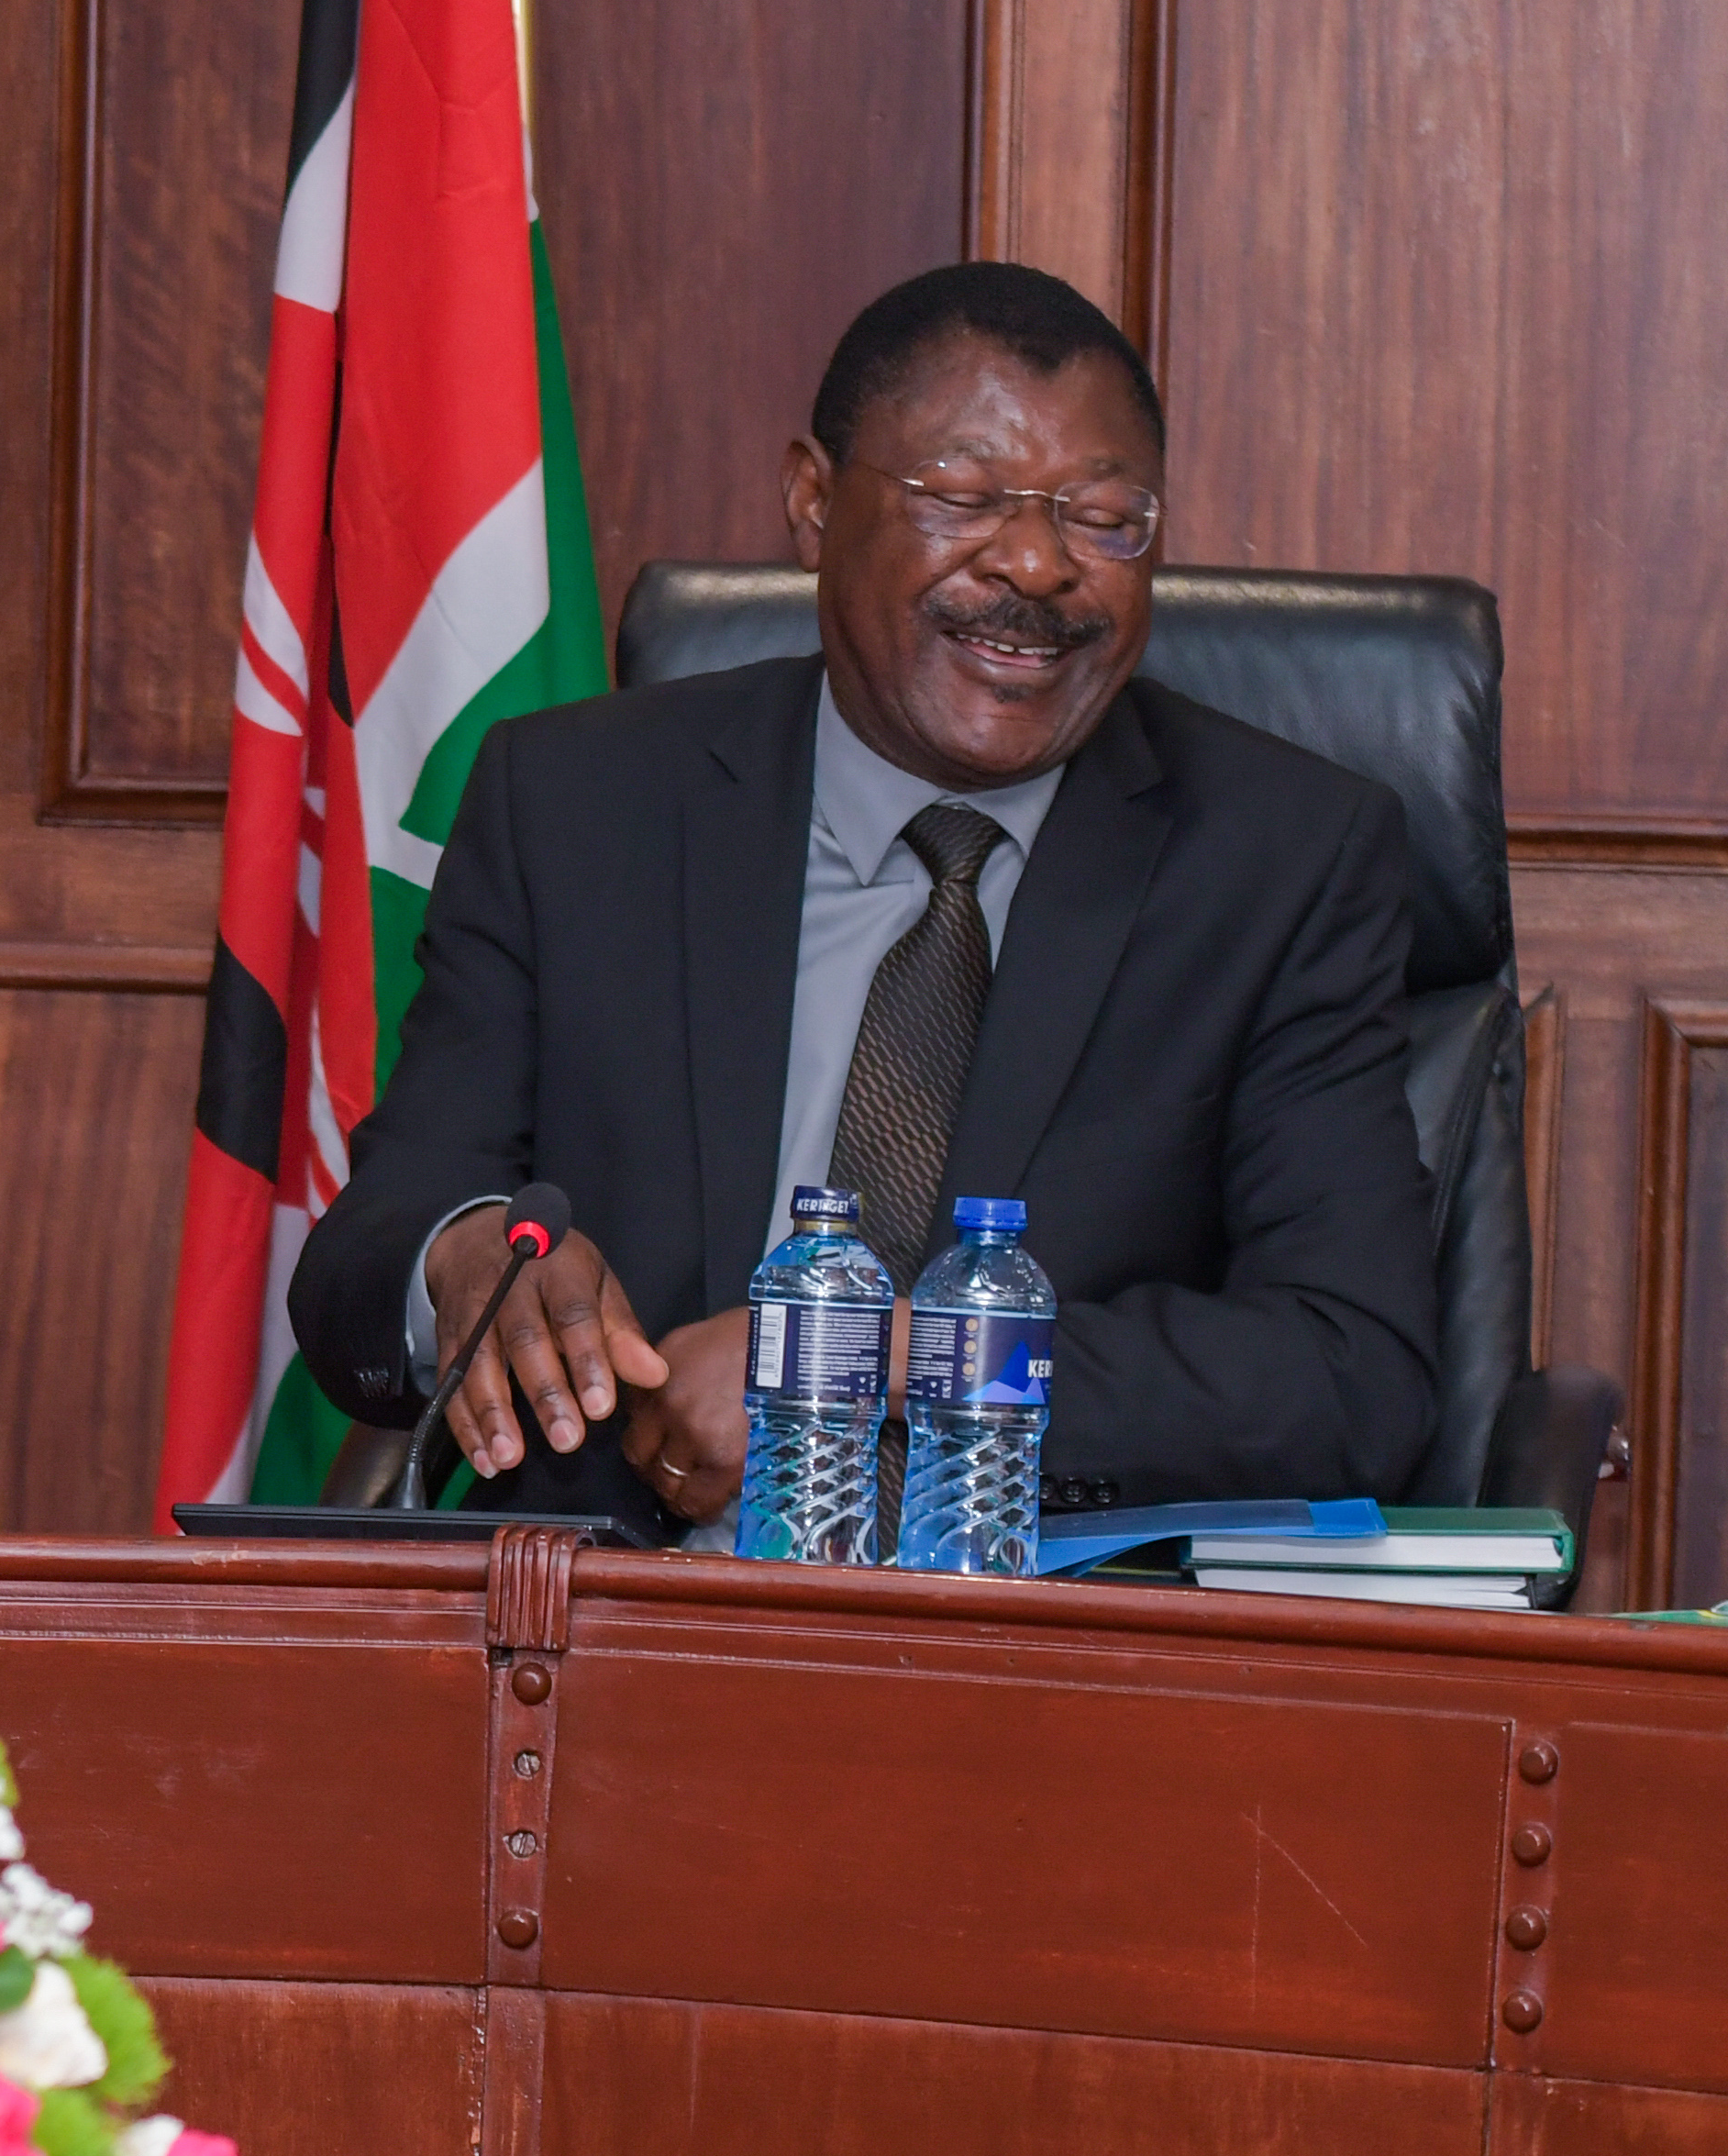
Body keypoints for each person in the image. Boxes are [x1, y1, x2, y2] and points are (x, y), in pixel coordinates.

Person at [291, 261, 1438, 1539]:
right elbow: (369, 1251)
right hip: (612, 1625)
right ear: (813, 501)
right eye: (962, 496)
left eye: (1107, 519)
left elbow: (1351, 1369)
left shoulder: (1282, 861)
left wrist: (870, 1362)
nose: (1039, 564)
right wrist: (462, 1258)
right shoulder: (577, 808)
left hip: (1041, 1647)